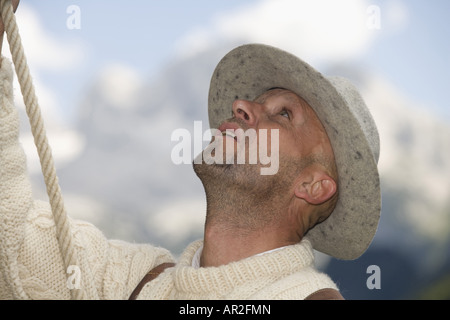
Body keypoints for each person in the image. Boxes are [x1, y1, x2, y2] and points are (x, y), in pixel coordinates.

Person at [0, 2, 381, 300]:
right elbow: (11, 245)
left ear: (313, 186)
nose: (241, 106)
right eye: (251, 102)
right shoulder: (133, 279)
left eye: (283, 114)